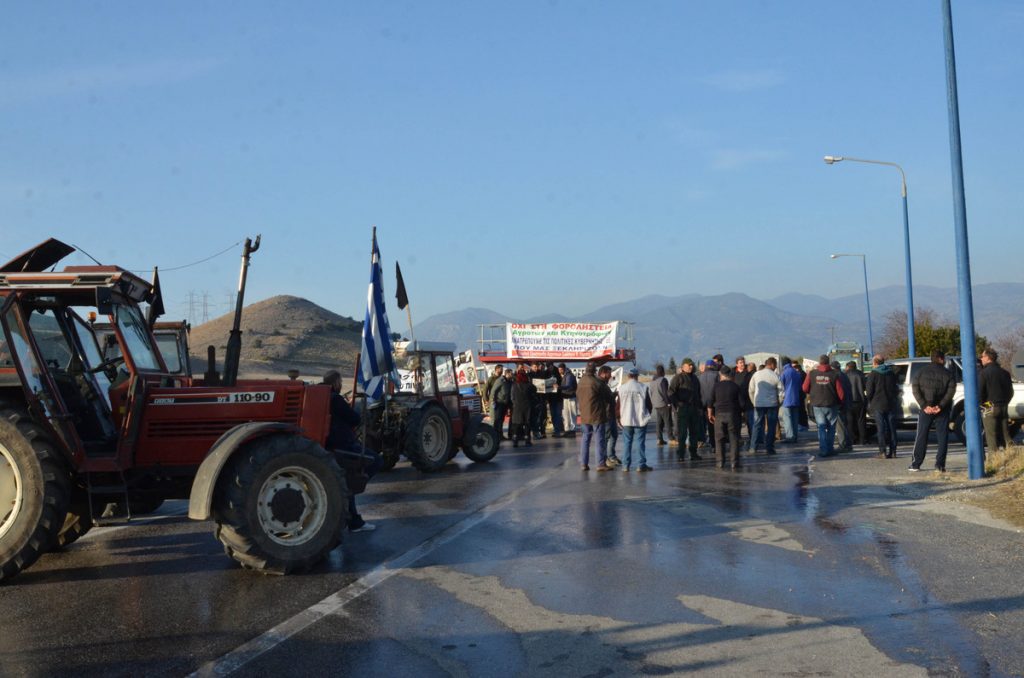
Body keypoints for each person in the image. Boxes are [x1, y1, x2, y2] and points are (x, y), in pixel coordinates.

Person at [323, 370, 382, 533]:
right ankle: (354, 493)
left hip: (329, 445)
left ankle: (353, 519)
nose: (341, 384)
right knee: (374, 462)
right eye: (340, 381)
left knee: (347, 483)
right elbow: (354, 419)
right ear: (336, 383)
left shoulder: (321, 395)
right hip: (343, 444)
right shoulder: (336, 399)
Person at [909, 350, 957, 472]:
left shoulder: (920, 372)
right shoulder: (948, 374)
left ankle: (916, 464)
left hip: (926, 409)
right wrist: (940, 406)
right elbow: (951, 391)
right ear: (941, 359)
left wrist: (924, 405)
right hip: (942, 409)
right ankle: (939, 465)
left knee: (921, 435)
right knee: (942, 437)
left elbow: (915, 389)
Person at [802, 355, 845, 457]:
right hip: (831, 404)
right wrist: (841, 403)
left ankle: (823, 449)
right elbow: (840, 392)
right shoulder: (834, 374)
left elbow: (804, 388)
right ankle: (830, 449)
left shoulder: (812, 374)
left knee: (821, 427)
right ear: (828, 362)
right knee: (831, 427)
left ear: (819, 362)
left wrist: (812, 391)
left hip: (817, 404)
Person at [577, 363, 612, 471]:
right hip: (597, 414)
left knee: (585, 439)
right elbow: (608, 397)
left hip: (584, 415)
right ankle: (600, 464)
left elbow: (577, 395)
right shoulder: (597, 382)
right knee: (599, 440)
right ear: (594, 371)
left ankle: (584, 463)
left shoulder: (581, 382)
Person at [978, 347, 1014, 452]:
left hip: (990, 406)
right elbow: (1010, 392)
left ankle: (994, 460)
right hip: (1003, 406)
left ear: (988, 358)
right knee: (1006, 434)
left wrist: (984, 407)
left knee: (991, 436)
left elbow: (980, 393)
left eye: (982, 356)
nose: (981, 359)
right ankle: (1012, 454)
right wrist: (1004, 403)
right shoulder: (1005, 373)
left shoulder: (984, 373)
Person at [618, 367, 653, 472]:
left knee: (627, 443)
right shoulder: (643, 387)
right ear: (637, 376)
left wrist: (618, 418)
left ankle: (625, 466)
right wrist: (646, 415)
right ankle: (641, 465)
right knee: (640, 442)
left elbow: (618, 405)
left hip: (626, 419)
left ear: (628, 376)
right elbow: (649, 405)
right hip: (640, 419)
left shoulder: (621, 388)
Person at [669, 358, 703, 461]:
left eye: (692, 365)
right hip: (683, 408)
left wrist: (700, 408)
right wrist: (678, 404)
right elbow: (670, 392)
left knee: (694, 432)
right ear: (683, 366)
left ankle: (693, 453)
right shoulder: (678, 378)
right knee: (682, 433)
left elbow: (698, 394)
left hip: (694, 408)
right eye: (689, 365)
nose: (691, 366)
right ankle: (681, 454)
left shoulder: (695, 379)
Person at [748, 356, 784, 455]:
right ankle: (769, 448)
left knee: (757, 425)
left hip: (759, 404)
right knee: (771, 426)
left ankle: (753, 447)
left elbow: (751, 390)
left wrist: (754, 402)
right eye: (775, 365)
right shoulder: (775, 376)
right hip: (772, 404)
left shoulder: (756, 374)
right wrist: (779, 403)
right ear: (772, 365)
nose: (775, 367)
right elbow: (781, 392)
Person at [865, 355, 899, 458]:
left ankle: (882, 451)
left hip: (878, 404)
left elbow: (869, 390)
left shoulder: (873, 374)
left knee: (881, 428)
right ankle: (893, 451)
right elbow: (896, 388)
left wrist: (870, 400)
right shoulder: (891, 373)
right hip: (891, 403)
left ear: (875, 363)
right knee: (892, 428)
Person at [709, 365, 743, 469]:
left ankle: (720, 462)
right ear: (730, 375)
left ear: (721, 375)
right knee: (734, 439)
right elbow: (741, 404)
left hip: (719, 415)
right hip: (732, 415)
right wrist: (741, 415)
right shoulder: (735, 386)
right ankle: (734, 463)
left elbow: (710, 402)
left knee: (719, 439)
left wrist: (710, 414)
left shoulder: (716, 386)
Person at [599, 365, 621, 466]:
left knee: (614, 435)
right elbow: (604, 399)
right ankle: (605, 458)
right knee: (606, 436)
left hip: (610, 413)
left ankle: (611, 455)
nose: (610, 375)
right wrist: (613, 395)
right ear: (603, 373)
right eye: (608, 373)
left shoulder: (604, 384)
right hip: (606, 414)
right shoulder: (600, 384)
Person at [844, 361, 868, 447]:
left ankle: (852, 439)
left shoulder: (845, 375)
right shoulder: (861, 374)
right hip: (860, 400)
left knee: (850, 421)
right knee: (861, 421)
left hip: (848, 401)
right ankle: (862, 439)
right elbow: (866, 386)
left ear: (848, 367)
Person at [510, 371, 537, 447]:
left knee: (516, 425)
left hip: (517, 407)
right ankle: (527, 440)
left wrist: (515, 403)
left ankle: (515, 441)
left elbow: (512, 397)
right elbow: (535, 394)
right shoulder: (530, 385)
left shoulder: (514, 385)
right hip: (527, 407)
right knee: (527, 424)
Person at [779, 357, 802, 443]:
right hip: (796, 399)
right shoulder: (797, 373)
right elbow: (800, 386)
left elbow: (781, 386)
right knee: (795, 418)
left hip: (786, 400)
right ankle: (795, 436)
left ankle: (790, 436)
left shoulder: (784, 373)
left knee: (787, 419)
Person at [832, 361, 854, 451]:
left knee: (840, 425)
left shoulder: (836, 376)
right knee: (844, 424)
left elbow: (839, 391)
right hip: (847, 402)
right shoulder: (844, 375)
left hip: (841, 403)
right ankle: (848, 444)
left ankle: (842, 445)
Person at [649, 364, 673, 445]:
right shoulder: (663, 380)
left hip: (656, 404)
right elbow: (665, 393)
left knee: (659, 422)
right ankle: (671, 438)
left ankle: (659, 438)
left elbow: (651, 393)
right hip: (663, 404)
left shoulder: (652, 381)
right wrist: (669, 403)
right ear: (663, 372)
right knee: (668, 422)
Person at [734, 357, 754, 450]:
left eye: (743, 362)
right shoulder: (733, 374)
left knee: (750, 423)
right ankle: (738, 440)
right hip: (737, 403)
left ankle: (753, 441)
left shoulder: (749, 374)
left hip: (748, 402)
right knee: (737, 424)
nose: (742, 364)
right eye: (740, 362)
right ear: (737, 364)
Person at [490, 368, 513, 440]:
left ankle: (500, 435)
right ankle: (496, 436)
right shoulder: (500, 381)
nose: (512, 375)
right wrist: (492, 401)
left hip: (505, 403)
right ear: (507, 374)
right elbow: (493, 391)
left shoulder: (509, 381)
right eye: (511, 374)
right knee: (498, 420)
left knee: (502, 419)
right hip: (499, 403)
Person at [558, 363, 578, 436]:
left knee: (572, 414)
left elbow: (568, 386)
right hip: (566, 397)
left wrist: (559, 387)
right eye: (559, 370)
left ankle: (572, 430)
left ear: (564, 369)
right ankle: (567, 429)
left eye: (560, 370)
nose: (559, 371)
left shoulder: (569, 375)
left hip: (571, 397)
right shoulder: (564, 375)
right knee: (566, 414)